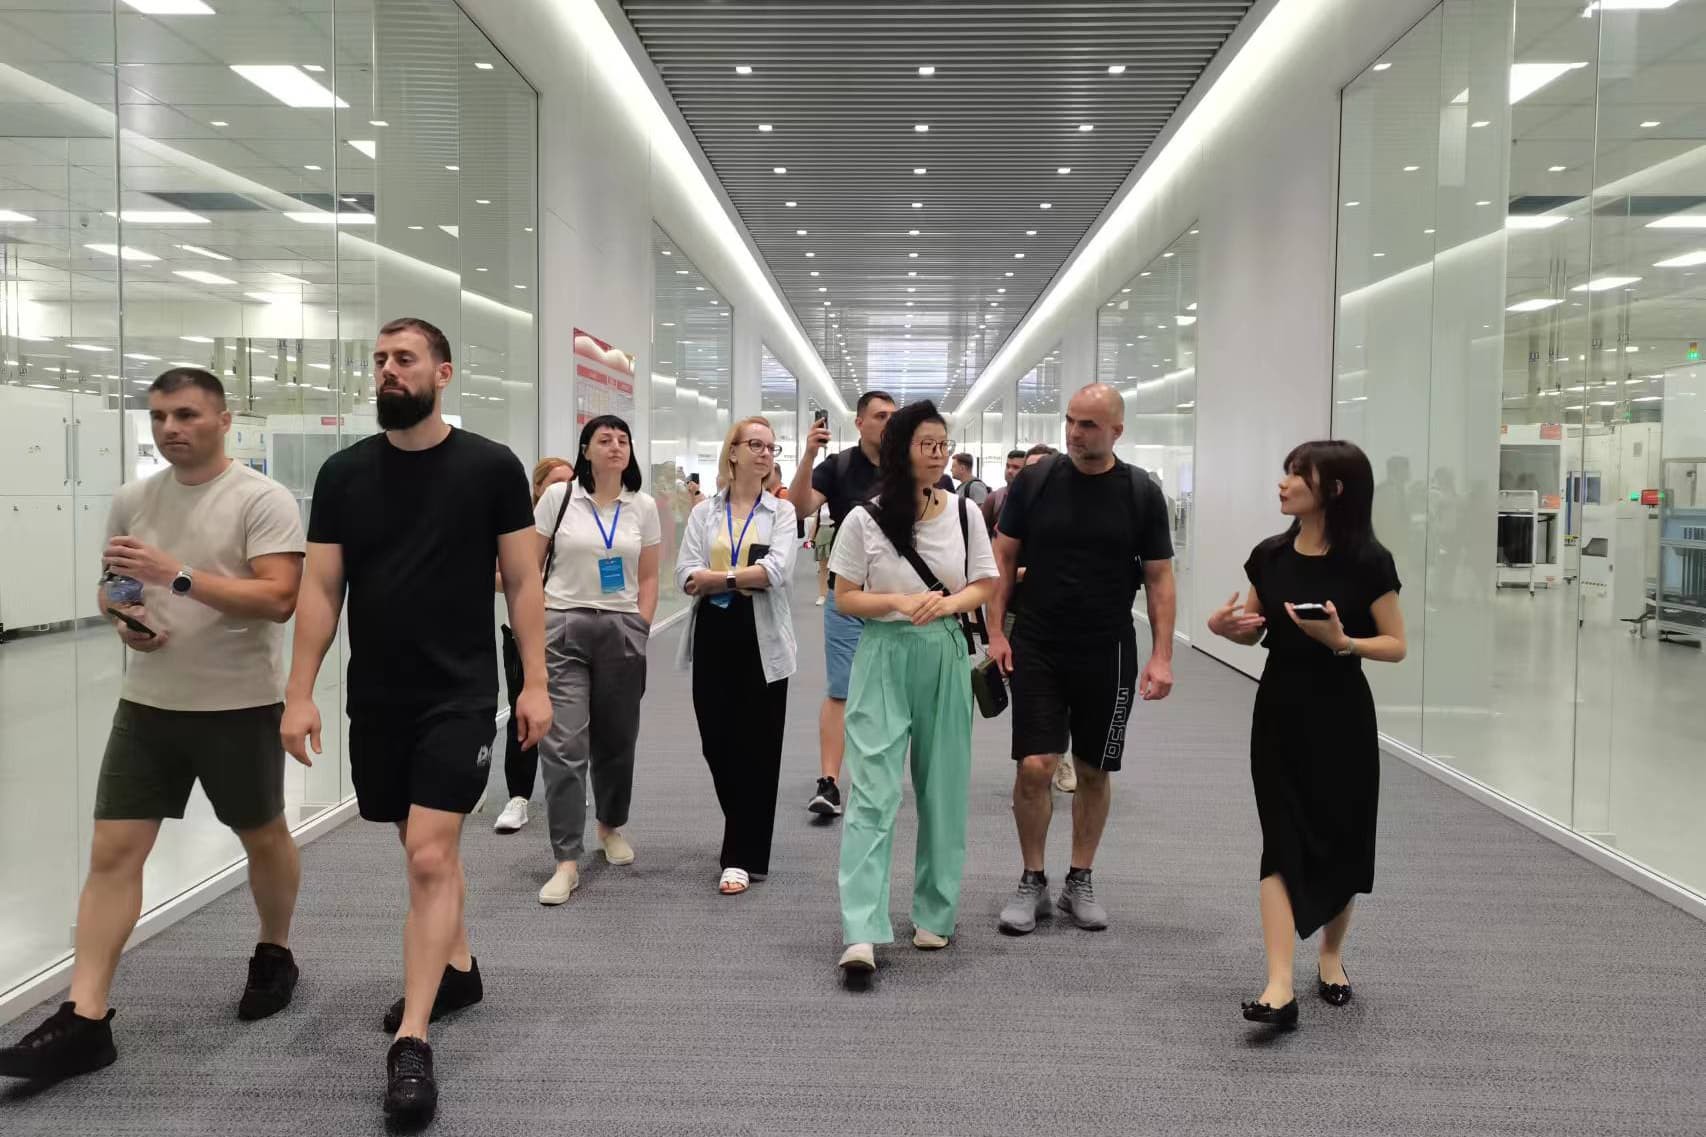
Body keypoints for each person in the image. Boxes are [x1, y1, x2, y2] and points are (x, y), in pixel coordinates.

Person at [0, 368, 306, 1084]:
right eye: (161, 415)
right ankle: (85, 1015)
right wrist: (122, 616)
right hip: (147, 706)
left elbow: (279, 598)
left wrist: (179, 575)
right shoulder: (133, 499)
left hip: (238, 705)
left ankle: (274, 948)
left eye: (188, 414)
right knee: (113, 852)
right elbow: (115, 584)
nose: (172, 428)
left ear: (223, 419)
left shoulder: (261, 499)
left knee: (262, 835)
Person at [281, 317, 551, 1124]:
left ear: (443, 372)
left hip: (459, 692)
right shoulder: (343, 474)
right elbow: (321, 588)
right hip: (380, 695)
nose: (388, 371)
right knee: (418, 846)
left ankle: (413, 1039)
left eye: (405, 359)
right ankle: (458, 967)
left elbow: (522, 581)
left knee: (431, 852)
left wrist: (534, 682)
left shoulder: (491, 467)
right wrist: (299, 690)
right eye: (380, 360)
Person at [1206, 439, 1405, 1030]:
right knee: (1281, 839)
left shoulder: (1369, 561)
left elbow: (1396, 645)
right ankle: (1279, 985)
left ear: (1334, 490)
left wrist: (1344, 642)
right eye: (1286, 472)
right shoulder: (1269, 555)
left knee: (1341, 838)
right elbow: (1253, 628)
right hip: (1279, 709)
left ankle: (1331, 956)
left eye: (1298, 475)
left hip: (1342, 712)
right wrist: (1224, 627)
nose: (1284, 483)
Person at [987, 384, 1177, 936]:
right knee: (1036, 765)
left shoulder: (1141, 492)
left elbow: (1160, 578)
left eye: (1088, 424)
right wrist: (995, 632)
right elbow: (1003, 556)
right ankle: (1032, 879)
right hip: (1039, 642)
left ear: (1117, 430)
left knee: (1094, 769)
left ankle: (1080, 878)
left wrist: (1162, 656)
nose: (1074, 432)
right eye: (1071, 420)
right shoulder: (1037, 481)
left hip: (1109, 648)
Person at [828, 401, 998, 975]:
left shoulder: (966, 514)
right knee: (873, 791)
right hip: (883, 652)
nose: (938, 454)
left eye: (943, 444)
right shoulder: (864, 519)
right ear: (901, 450)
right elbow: (844, 597)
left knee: (943, 789)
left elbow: (984, 583)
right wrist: (899, 601)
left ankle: (935, 913)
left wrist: (947, 605)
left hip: (945, 651)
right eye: (927, 444)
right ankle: (860, 927)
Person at [790, 391, 956, 818]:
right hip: (851, 598)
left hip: (910, 604)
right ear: (860, 422)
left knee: (908, 692)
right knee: (842, 688)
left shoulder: (924, 469)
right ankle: (829, 781)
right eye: (880, 416)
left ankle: (907, 778)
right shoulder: (839, 466)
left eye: (893, 417)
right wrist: (809, 455)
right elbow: (798, 507)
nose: (888, 423)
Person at [532, 415, 660, 906]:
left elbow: (649, 577)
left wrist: (640, 626)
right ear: (585, 450)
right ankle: (566, 858)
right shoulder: (559, 498)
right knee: (564, 743)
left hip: (621, 627)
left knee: (617, 738)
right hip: (563, 624)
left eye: (623, 440)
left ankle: (609, 826)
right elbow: (529, 566)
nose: (615, 447)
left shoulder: (642, 506)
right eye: (604, 440)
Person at [675, 417, 798, 895]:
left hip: (762, 634)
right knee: (717, 741)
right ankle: (744, 829)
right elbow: (685, 572)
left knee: (759, 746)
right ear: (733, 452)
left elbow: (776, 571)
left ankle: (740, 855)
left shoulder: (781, 512)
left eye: (771, 447)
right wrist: (718, 579)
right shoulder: (705, 512)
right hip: (714, 629)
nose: (765, 454)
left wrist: (718, 578)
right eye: (756, 445)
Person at [493, 456, 574, 835]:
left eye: (570, 481)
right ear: (538, 488)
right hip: (526, 632)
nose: (563, 489)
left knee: (572, 713)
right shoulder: (518, 526)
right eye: (555, 482)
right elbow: (498, 576)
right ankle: (518, 797)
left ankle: (571, 786)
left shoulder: (581, 524)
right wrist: (529, 581)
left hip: (570, 629)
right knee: (522, 712)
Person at [980, 448, 1028, 536]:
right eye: (1008, 466)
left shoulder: (1033, 497)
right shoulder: (994, 498)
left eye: (1016, 467)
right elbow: (978, 530)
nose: (1009, 471)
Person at [810, 503, 834, 607]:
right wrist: (810, 538)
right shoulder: (821, 505)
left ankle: (836, 595)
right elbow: (816, 522)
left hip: (836, 532)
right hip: (823, 533)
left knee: (837, 568)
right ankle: (822, 595)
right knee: (823, 568)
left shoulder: (840, 501)